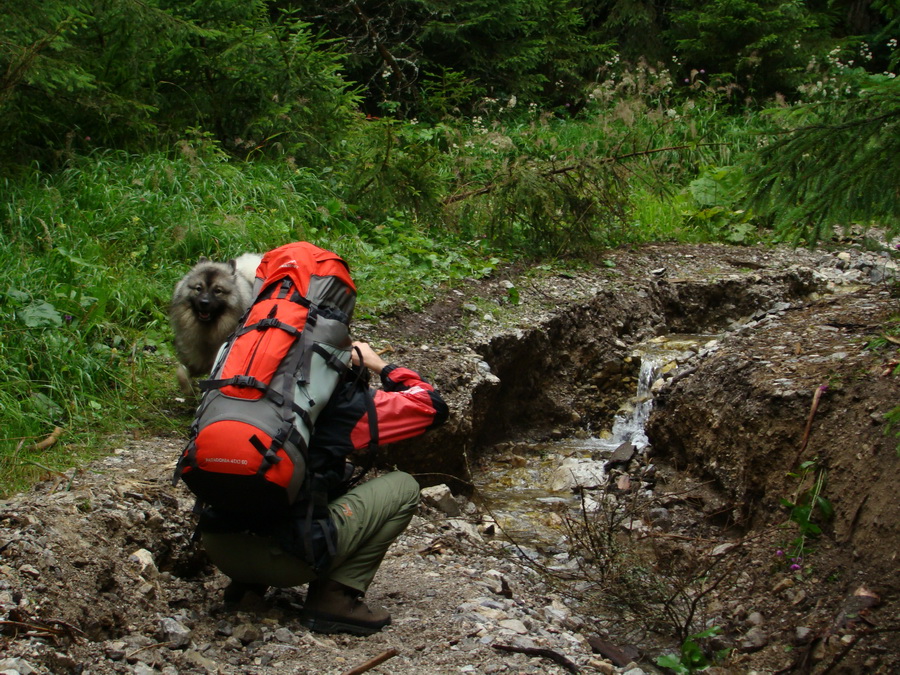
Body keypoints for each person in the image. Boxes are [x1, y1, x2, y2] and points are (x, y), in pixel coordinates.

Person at [197, 341, 448, 635]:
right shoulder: (346, 406)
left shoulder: (234, 394)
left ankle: (246, 588)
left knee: (316, 472)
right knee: (403, 486)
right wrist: (381, 365)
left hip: (219, 548)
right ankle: (334, 599)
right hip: (287, 563)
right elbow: (433, 406)